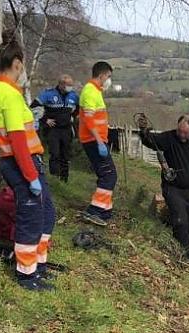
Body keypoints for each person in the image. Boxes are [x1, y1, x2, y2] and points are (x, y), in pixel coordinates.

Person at [0, 33, 57, 291]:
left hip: (20, 161)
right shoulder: (9, 94)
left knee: (46, 212)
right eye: (23, 65)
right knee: (31, 217)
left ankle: (38, 265)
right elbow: (17, 140)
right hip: (22, 163)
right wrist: (30, 177)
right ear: (17, 64)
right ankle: (26, 274)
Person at [139, 115, 189, 258]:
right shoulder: (169, 138)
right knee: (181, 220)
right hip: (173, 188)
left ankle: (185, 247)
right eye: (179, 131)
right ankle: (184, 254)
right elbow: (151, 141)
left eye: (185, 132)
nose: (181, 135)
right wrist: (143, 131)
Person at [78, 61, 117, 226]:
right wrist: (100, 141)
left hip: (97, 140)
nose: (109, 80)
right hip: (94, 141)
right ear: (101, 75)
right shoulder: (90, 91)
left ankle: (105, 212)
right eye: (108, 76)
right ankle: (93, 211)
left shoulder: (95, 91)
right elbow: (88, 118)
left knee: (106, 174)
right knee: (109, 176)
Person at [30, 74, 78, 182]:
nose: (70, 87)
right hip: (53, 130)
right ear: (61, 84)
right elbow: (34, 106)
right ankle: (54, 178)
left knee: (65, 155)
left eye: (71, 85)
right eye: (68, 85)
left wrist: (72, 117)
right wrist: (44, 119)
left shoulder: (73, 96)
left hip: (66, 129)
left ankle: (64, 179)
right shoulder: (49, 94)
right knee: (55, 153)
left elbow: (79, 109)